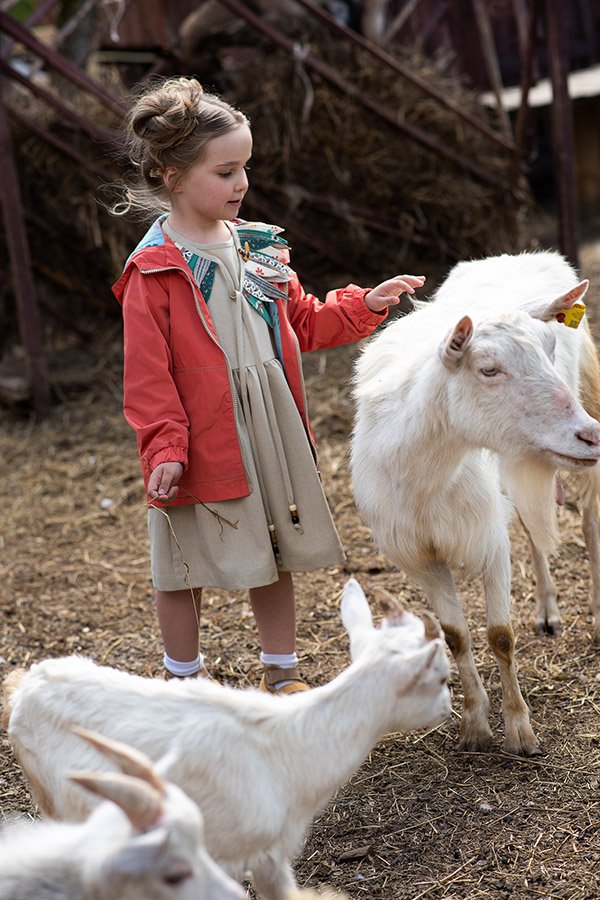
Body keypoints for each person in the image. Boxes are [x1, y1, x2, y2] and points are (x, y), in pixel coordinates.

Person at [112, 76, 425, 692]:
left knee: (274, 548)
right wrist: (165, 447)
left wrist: (366, 304)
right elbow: (147, 376)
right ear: (174, 177)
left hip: (268, 427)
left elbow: (300, 323)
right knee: (181, 560)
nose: (242, 184)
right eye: (225, 172)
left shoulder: (258, 248)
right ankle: (183, 683)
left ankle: (281, 673)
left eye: (245, 169)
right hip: (200, 435)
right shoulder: (154, 271)